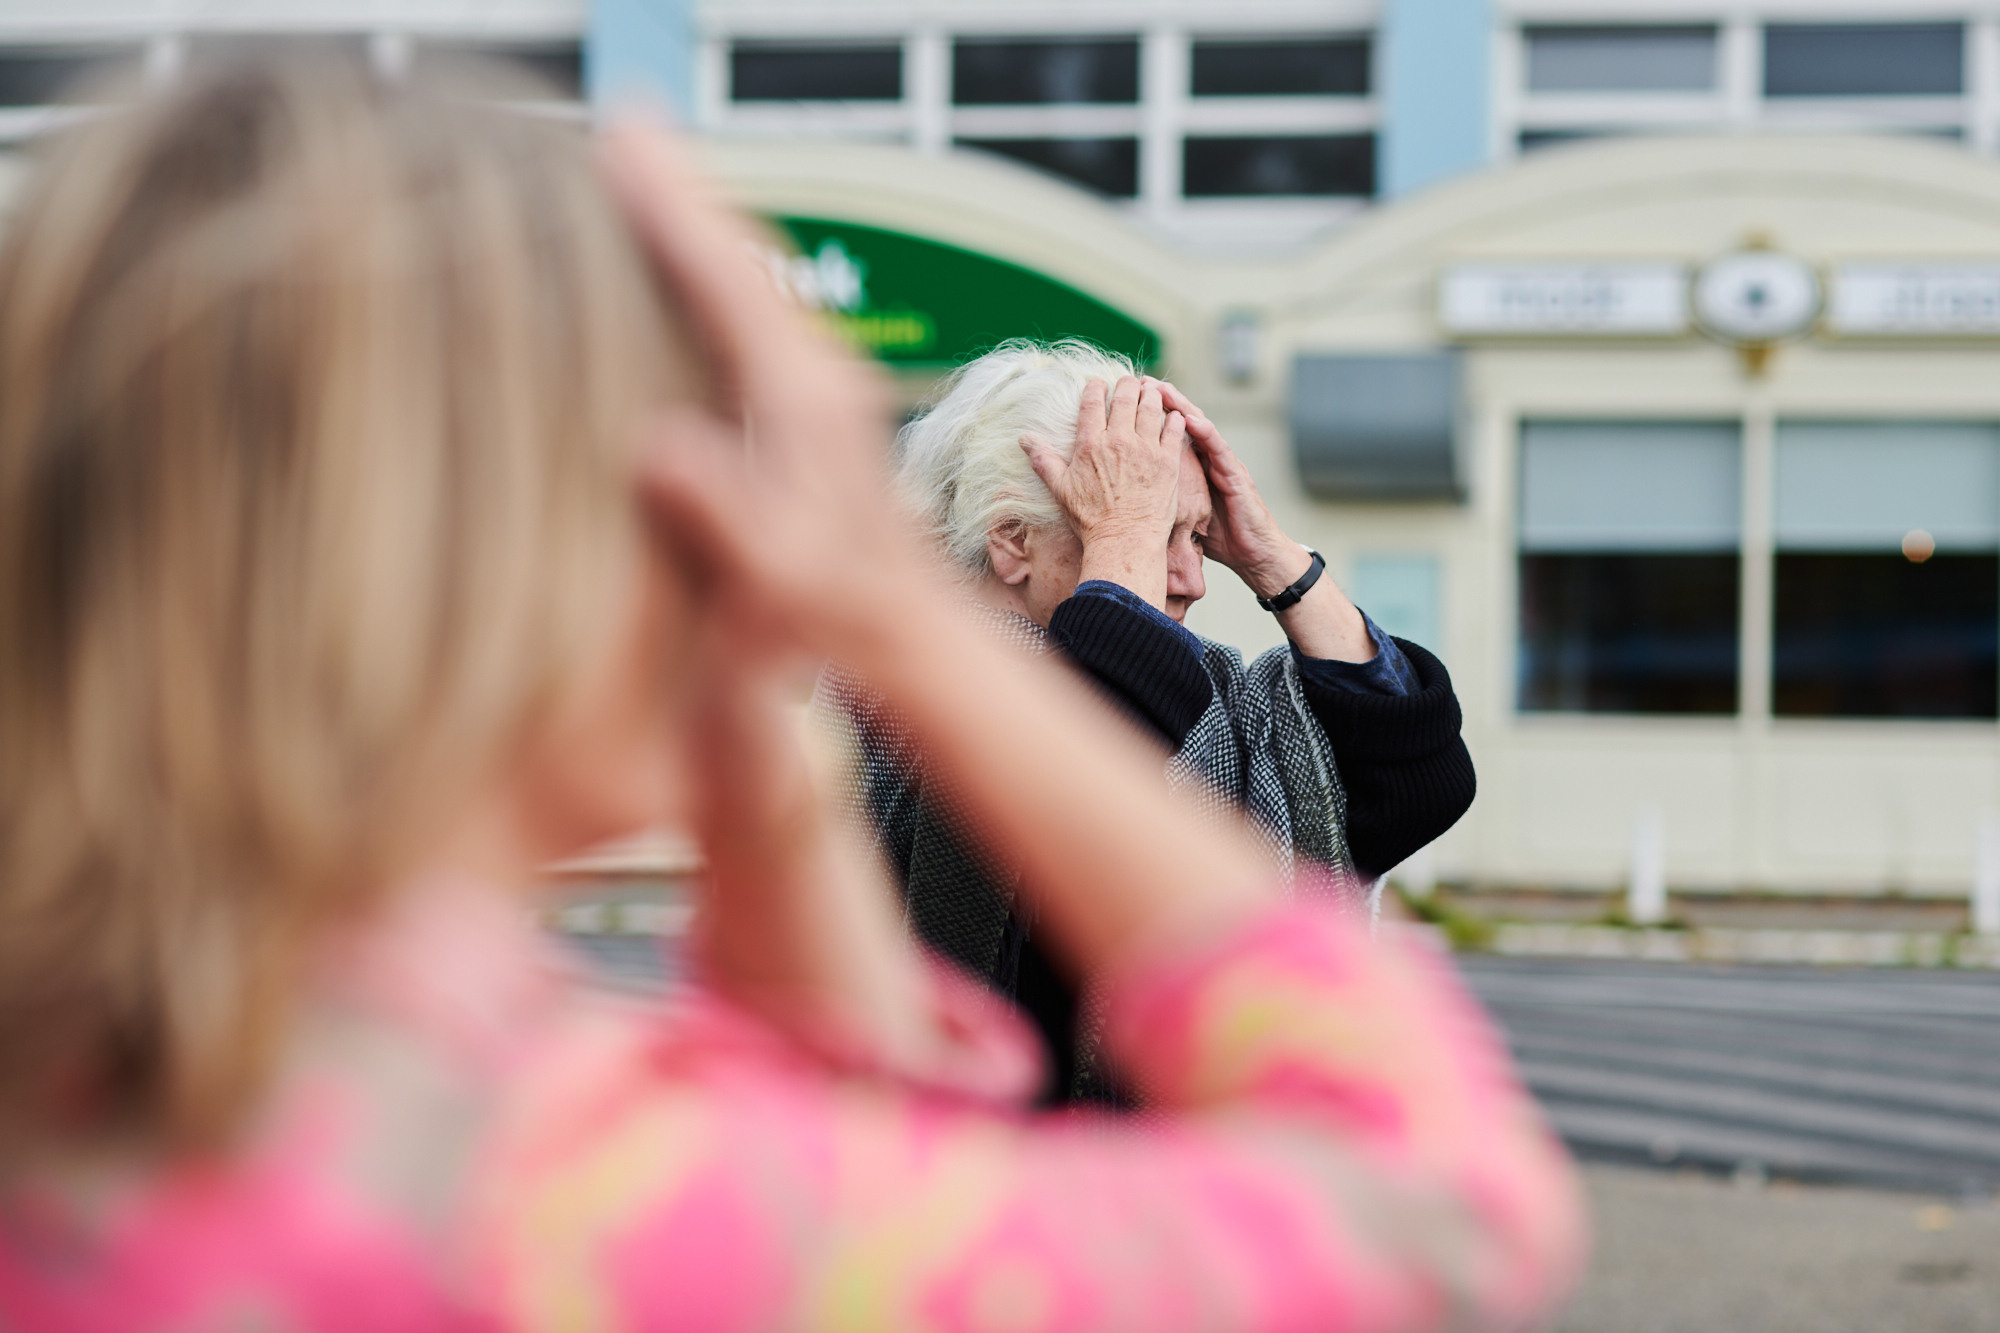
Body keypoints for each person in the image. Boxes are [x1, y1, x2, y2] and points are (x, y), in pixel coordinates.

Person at [0, 53, 1583, 1331]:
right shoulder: (573, 1191)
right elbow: (1442, 1200)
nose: (1183, 576)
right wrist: (906, 611)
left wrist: (1270, 564)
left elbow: (1397, 775)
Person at [825, 342, 1475, 1101]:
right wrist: (1129, 539)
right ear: (1013, 543)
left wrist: (1271, 556)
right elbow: (1080, 777)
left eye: (1196, 540)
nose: (1192, 579)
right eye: (1142, 532)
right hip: (990, 1192)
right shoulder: (906, 700)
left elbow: (1417, 778)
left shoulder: (1198, 696)